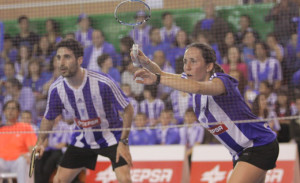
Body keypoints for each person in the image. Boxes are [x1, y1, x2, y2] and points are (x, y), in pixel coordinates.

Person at [132, 42, 279, 183]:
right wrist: (146, 62)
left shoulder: (222, 82)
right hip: (240, 152)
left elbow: (197, 87)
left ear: (209, 66)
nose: (187, 67)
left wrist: (157, 79)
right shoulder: (190, 82)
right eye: (185, 61)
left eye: (193, 61)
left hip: (259, 145)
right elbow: (163, 74)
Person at [34, 38, 133, 183]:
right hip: (82, 139)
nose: (61, 63)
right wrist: (40, 142)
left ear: (79, 60)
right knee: (58, 180)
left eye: (67, 57)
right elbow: (48, 118)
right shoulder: (56, 89)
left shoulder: (103, 82)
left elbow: (128, 109)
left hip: (112, 136)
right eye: (58, 57)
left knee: (125, 180)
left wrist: (123, 142)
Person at [0, 100, 37, 183]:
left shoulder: (25, 128)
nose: (10, 111)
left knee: (22, 161)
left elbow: (32, 148)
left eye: (13, 108)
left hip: (18, 162)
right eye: (8, 108)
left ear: (18, 112)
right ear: (4, 112)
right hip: (2, 162)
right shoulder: (1, 129)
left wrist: (29, 154)